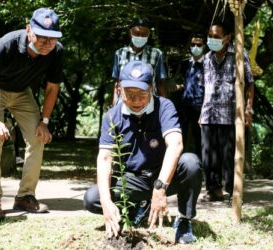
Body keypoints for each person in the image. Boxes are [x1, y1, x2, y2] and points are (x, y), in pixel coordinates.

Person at [84, 61, 202, 244]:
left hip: (164, 176)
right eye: (130, 94)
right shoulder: (111, 116)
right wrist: (107, 203)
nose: (136, 100)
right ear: (119, 89)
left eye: (142, 93)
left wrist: (160, 187)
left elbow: (176, 144)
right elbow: (105, 159)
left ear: (151, 88)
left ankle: (185, 221)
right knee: (93, 198)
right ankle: (133, 210)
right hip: (133, 179)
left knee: (190, 163)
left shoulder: (165, 106)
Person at [0, 8, 64, 220]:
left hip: (22, 92)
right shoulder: (8, 44)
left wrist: (44, 122)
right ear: (28, 30)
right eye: (41, 36)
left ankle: (25, 196)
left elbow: (52, 88)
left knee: (37, 137)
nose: (46, 43)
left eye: (52, 38)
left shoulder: (56, 52)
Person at [200, 22, 254, 202]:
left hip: (231, 115)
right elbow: (205, 87)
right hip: (209, 114)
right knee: (209, 156)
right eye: (210, 36)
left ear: (227, 38)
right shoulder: (206, 58)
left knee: (230, 155)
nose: (212, 39)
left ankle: (233, 191)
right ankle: (214, 190)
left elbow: (250, 84)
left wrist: (248, 109)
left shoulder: (239, 54)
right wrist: (201, 112)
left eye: (216, 36)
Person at [111, 17, 167, 105]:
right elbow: (117, 83)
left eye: (144, 34)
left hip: (149, 106)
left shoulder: (156, 54)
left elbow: (159, 83)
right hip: (124, 105)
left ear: (148, 35)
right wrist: (114, 108)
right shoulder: (120, 53)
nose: (140, 37)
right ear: (130, 33)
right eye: (136, 33)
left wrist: (165, 108)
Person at [177, 33, 206, 158]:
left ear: (204, 46)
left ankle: (200, 167)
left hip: (200, 107)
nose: (195, 47)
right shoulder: (186, 63)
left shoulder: (208, 64)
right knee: (180, 135)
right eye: (193, 44)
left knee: (199, 137)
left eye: (198, 45)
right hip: (185, 105)